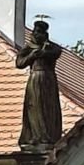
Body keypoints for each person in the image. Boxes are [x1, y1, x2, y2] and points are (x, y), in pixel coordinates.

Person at [16, 20, 63, 150]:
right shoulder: (29, 46)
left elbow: (57, 52)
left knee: (49, 107)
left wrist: (45, 52)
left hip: (49, 79)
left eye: (40, 32)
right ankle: (35, 135)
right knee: (34, 106)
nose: (37, 34)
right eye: (36, 31)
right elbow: (19, 63)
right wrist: (32, 56)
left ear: (45, 33)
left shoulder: (51, 47)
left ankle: (48, 135)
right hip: (35, 78)